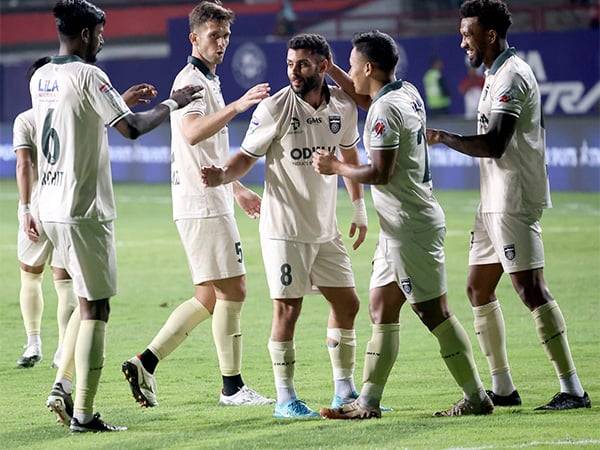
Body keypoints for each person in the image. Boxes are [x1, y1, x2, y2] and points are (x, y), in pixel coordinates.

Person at [36, 0, 202, 433]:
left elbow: (80, 119)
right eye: (101, 32)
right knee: (96, 308)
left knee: (81, 302)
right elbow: (131, 128)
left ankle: (63, 384)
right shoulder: (91, 74)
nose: (104, 39)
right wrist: (174, 102)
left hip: (50, 205)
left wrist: (117, 104)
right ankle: (85, 413)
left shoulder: (41, 76)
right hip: (83, 209)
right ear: (87, 34)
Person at [314, 30, 493, 419]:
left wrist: (336, 167)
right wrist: (333, 73)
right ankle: (368, 403)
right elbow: (365, 97)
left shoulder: (385, 111)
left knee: (435, 313)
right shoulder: (404, 92)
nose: (348, 71)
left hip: (411, 226)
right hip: (399, 226)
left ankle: (478, 398)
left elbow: (380, 172)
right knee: (381, 307)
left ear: (367, 67)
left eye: (350, 65)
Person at [427, 0, 590, 411]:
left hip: (513, 197)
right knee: (478, 288)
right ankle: (502, 388)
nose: (462, 40)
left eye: (468, 33)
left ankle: (572, 389)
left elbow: (495, 143)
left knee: (529, 288)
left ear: (491, 35)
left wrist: (444, 137)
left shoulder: (512, 76)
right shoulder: (495, 73)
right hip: (492, 200)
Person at [201, 33, 368, 419]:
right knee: (287, 311)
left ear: (324, 67)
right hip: (284, 229)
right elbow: (246, 157)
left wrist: (358, 206)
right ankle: (285, 398)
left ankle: (344, 391)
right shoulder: (275, 108)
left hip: (325, 228)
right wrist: (224, 176)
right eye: (290, 63)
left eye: (304, 64)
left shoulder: (342, 106)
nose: (294, 70)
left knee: (348, 303)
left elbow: (349, 152)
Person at [122, 0, 273, 409]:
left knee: (208, 295)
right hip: (202, 202)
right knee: (234, 289)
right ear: (194, 38)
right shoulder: (191, 81)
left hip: (209, 196)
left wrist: (237, 188)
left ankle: (145, 362)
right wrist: (238, 106)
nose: (222, 43)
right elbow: (191, 132)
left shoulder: (208, 79)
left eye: (225, 35)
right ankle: (232, 387)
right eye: (214, 36)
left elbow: (208, 149)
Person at [15, 58, 159, 371]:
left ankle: (33, 342)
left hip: (42, 206)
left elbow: (24, 164)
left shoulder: (26, 119)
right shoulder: (69, 108)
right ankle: (61, 354)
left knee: (30, 275)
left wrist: (25, 207)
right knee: (71, 286)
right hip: (71, 205)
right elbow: (88, 121)